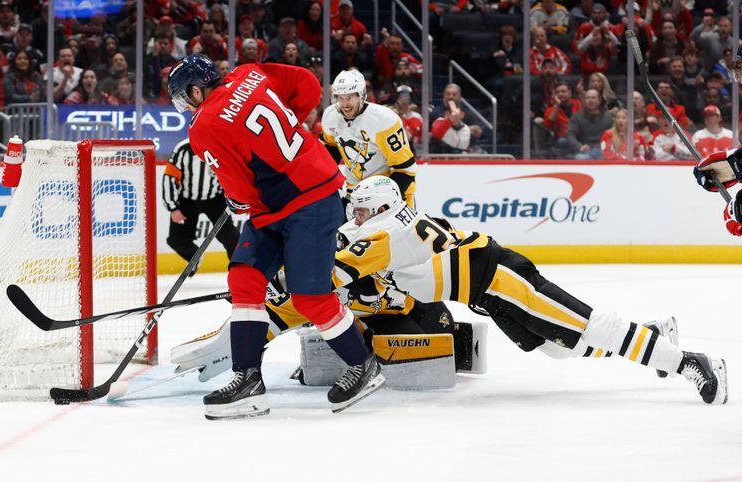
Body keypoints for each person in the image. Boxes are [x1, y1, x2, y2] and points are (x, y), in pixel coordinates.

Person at [329, 177, 727, 405]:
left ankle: (689, 362)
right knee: (555, 347)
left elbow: (344, 267)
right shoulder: (393, 223)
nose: (355, 218)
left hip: (503, 278)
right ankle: (652, 334)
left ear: (381, 208)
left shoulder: (384, 235)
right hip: (488, 292)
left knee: (591, 325)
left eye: (361, 211)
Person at [167, 54, 383, 418]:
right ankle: (248, 380)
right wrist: (285, 133)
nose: (185, 107)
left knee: (310, 298)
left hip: (307, 202)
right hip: (294, 198)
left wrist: (240, 199)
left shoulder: (203, 127)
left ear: (195, 90)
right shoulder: (249, 73)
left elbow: (239, 191)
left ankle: (364, 364)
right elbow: (309, 87)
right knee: (245, 278)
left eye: (183, 99)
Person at [321, 69, 419, 207]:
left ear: (361, 95)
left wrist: (386, 202)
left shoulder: (384, 120)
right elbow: (331, 148)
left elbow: (406, 169)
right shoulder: (331, 116)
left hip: (389, 192)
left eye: (350, 97)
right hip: (355, 193)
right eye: (340, 97)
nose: (345, 103)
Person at [163, 138, 239, 270]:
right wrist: (173, 207)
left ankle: (240, 271)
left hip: (215, 199)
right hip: (188, 200)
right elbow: (169, 178)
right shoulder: (183, 149)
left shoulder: (222, 145)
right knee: (176, 240)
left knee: (231, 238)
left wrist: (234, 194)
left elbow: (232, 172)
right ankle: (194, 256)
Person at [565, 88, 612, 160]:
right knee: (580, 158)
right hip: (585, 150)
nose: (590, 100)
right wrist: (579, 146)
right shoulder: (577, 116)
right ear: (584, 101)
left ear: (599, 101)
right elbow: (570, 135)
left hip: (603, 150)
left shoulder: (608, 116)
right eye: (588, 98)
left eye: (593, 98)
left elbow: (614, 134)